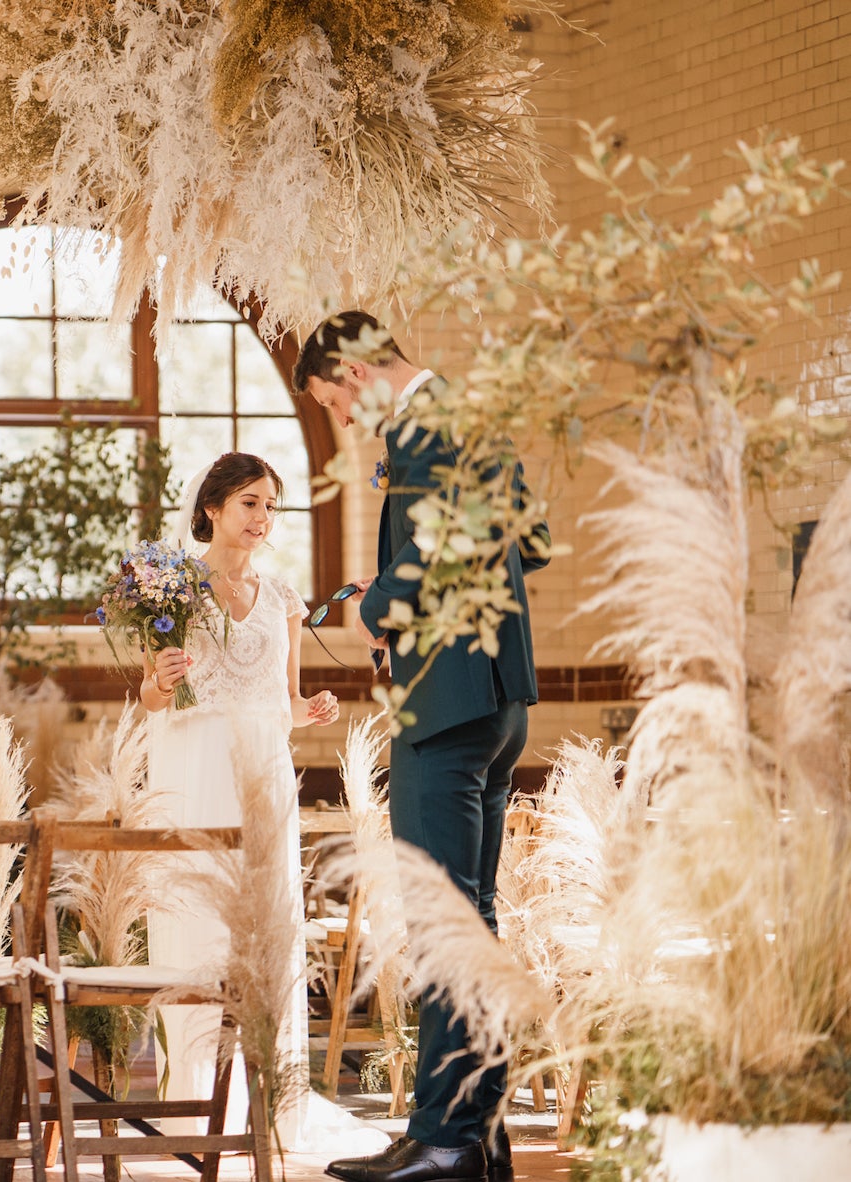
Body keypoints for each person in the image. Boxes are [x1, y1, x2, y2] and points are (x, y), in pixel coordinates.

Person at [295, 311, 549, 1182]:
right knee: (470, 919)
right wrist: (401, 582)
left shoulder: (427, 425)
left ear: (355, 373)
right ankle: (474, 1131)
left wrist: (377, 608)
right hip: (494, 697)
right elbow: (529, 539)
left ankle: (443, 1139)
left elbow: (443, 550)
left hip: (444, 708)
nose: (343, 419)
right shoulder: (466, 418)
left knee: (445, 922)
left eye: (334, 402)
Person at [141, 451, 392, 1157]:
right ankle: (192, 1105)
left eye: (271, 505)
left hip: (263, 773)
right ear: (213, 508)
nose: (262, 518)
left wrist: (307, 710)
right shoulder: (173, 590)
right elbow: (151, 698)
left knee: (268, 930)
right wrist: (162, 678)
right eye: (250, 503)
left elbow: (280, 701)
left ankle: (270, 1103)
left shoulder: (283, 598)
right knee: (196, 925)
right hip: (196, 769)